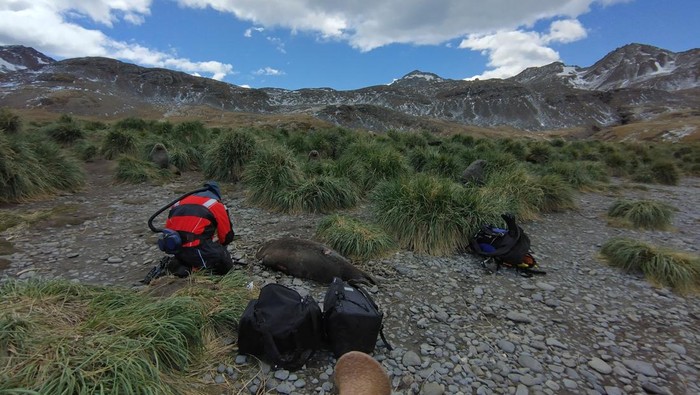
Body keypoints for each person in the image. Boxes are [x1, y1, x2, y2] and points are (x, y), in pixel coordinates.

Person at [164, 181, 237, 277]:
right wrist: (217, 244)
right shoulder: (215, 204)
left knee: (185, 262)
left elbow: (169, 228)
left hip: (177, 249)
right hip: (197, 249)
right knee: (225, 263)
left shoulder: (178, 203)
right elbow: (226, 236)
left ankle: (184, 268)